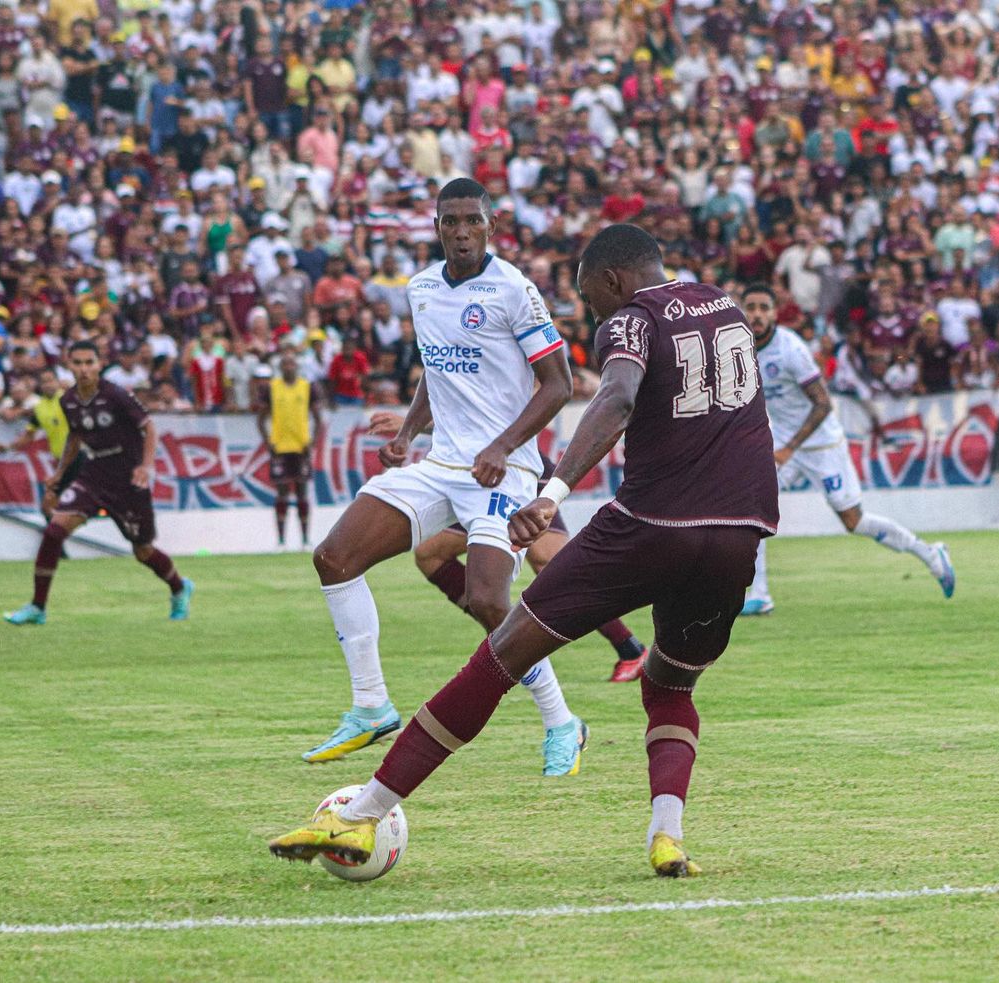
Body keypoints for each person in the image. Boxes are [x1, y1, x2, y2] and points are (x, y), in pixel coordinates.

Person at [269, 224, 779, 878]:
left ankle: (363, 813)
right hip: (739, 533)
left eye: (590, 294)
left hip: (650, 524)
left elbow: (618, 395)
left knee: (502, 651)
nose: (593, 307)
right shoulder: (726, 305)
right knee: (669, 681)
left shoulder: (630, 319)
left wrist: (553, 490)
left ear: (615, 280)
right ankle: (666, 835)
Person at [298, 178, 586, 778]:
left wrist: (504, 446)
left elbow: (559, 384)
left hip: (506, 471)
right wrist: (407, 433)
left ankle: (562, 721)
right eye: (450, 220)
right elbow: (437, 369)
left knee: (486, 599)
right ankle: (371, 705)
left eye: (471, 221)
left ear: (490, 225)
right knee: (334, 557)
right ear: (436, 225)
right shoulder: (422, 288)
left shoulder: (514, 289)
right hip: (440, 466)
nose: (460, 231)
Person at [368, 413, 650, 682]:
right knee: (431, 553)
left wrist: (412, 425)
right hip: (479, 475)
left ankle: (628, 649)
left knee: (553, 566)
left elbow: (496, 417)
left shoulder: (519, 365)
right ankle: (505, 640)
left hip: (515, 470)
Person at [739, 283, 955, 617]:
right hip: (781, 444)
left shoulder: (790, 349)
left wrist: (790, 449)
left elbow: (823, 404)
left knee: (854, 521)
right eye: (750, 307)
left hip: (821, 445)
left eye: (763, 307)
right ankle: (760, 593)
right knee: (753, 509)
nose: (756, 314)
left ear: (774, 312)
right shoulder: (742, 347)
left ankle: (930, 554)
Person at [3, 341, 193, 626]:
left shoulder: (116, 395)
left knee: (143, 551)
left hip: (128, 479)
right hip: (93, 474)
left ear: (99, 364)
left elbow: (149, 427)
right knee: (54, 531)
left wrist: (146, 465)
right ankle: (37, 607)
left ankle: (179, 588)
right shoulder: (68, 400)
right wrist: (58, 474)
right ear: (69, 365)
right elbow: (75, 437)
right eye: (77, 363)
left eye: (89, 362)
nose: (83, 369)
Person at [0, 366, 82, 522]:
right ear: (39, 385)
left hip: (79, 457)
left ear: (57, 381)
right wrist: (8, 447)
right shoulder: (39, 408)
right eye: (44, 382)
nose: (47, 385)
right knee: (50, 504)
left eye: (50, 380)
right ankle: (59, 538)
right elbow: (29, 435)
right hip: (61, 462)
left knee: (56, 502)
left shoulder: (69, 399)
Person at [257, 353, 324, 550]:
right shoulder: (272, 388)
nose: (288, 367)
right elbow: (261, 418)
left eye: (291, 363)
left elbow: (317, 418)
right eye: (285, 363)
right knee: (282, 493)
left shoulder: (307, 387)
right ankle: (281, 541)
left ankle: (305, 540)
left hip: (301, 446)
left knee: (302, 492)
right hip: (280, 447)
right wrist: (268, 441)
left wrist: (312, 441)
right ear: (280, 367)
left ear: (296, 366)